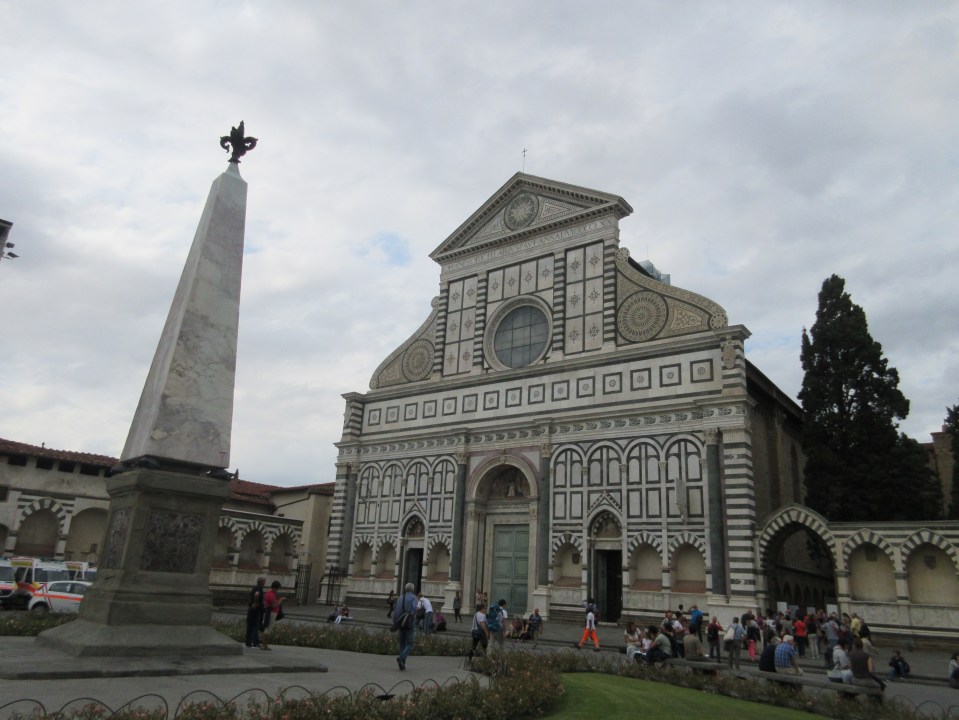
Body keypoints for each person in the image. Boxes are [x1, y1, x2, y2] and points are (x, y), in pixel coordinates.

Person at [393, 582, 417, 671]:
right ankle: (402, 658)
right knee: (410, 643)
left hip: (400, 623)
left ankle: (403, 664)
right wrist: (411, 616)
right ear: (412, 589)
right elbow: (414, 608)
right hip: (409, 624)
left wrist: (396, 622)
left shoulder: (401, 598)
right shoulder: (414, 598)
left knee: (402, 643)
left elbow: (396, 611)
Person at [259, 580, 283, 651]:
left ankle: (264, 645)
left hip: (270, 612)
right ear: (276, 588)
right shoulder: (271, 594)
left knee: (267, 628)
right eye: (278, 588)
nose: (278, 590)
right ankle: (264, 645)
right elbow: (274, 605)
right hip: (272, 613)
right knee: (268, 629)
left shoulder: (268, 593)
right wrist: (280, 600)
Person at [244, 576, 266, 649]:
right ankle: (255, 642)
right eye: (264, 581)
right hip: (256, 610)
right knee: (255, 626)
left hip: (251, 610)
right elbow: (257, 594)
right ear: (261, 582)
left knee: (250, 626)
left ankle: (248, 642)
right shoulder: (259, 589)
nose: (265, 583)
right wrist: (256, 603)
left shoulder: (254, 588)